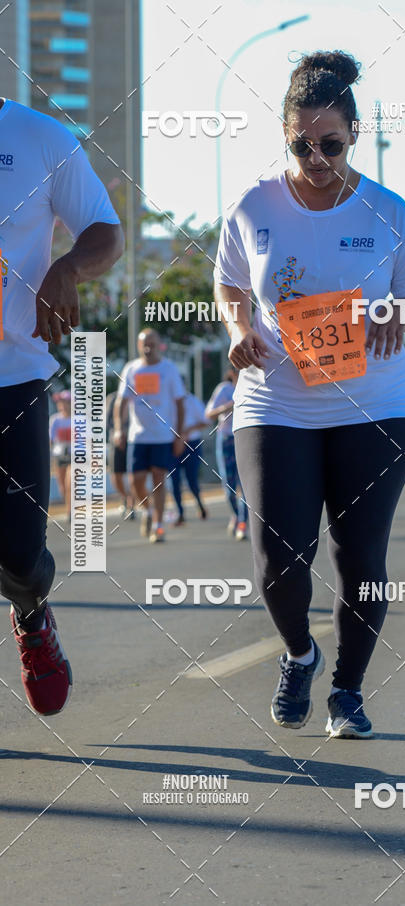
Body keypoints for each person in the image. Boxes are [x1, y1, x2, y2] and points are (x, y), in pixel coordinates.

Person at [213, 51, 405, 737]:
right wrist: (239, 328)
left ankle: (348, 691)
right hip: (274, 399)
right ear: (285, 137)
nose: (316, 157)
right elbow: (229, 282)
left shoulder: (387, 210)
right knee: (277, 558)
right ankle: (299, 655)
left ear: (354, 134)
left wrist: (393, 312)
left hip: (374, 404)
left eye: (331, 144)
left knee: (359, 556)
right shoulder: (254, 206)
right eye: (301, 145)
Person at [0, 97, 123, 715]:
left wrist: (69, 268)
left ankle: (30, 611)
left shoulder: (39, 137)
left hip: (13, 374)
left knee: (20, 554)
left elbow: (105, 231)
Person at [114, 329, 185, 543]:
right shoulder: (131, 369)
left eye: (152, 344)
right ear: (138, 346)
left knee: (158, 479)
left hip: (162, 435)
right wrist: (119, 429)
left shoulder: (169, 369)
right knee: (135, 481)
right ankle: (148, 509)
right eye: (144, 344)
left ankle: (158, 526)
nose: (148, 348)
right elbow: (121, 402)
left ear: (159, 345)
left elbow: (179, 403)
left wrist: (179, 435)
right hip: (138, 436)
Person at [205, 369, 248, 541]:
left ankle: (243, 522)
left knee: (245, 484)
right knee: (229, 485)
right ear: (232, 372)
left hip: (245, 437)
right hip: (226, 439)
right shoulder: (224, 389)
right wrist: (229, 406)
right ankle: (236, 515)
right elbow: (209, 414)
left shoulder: (253, 385)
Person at [170, 388, 209, 525]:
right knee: (174, 480)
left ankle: (199, 503)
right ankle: (180, 512)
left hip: (191, 445)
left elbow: (206, 421)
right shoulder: (167, 400)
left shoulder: (192, 401)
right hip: (172, 444)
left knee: (191, 479)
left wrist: (187, 431)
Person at [106, 389, 135, 519]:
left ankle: (131, 505)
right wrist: (118, 434)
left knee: (133, 474)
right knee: (115, 474)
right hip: (116, 441)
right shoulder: (112, 398)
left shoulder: (138, 397)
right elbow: (107, 421)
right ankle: (125, 497)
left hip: (133, 440)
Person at [49, 390, 73, 519]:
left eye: (65, 402)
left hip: (74, 456)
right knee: (62, 486)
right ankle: (69, 506)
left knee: (70, 482)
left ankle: (71, 510)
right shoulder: (55, 420)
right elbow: (51, 440)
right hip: (59, 456)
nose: (62, 405)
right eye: (60, 402)